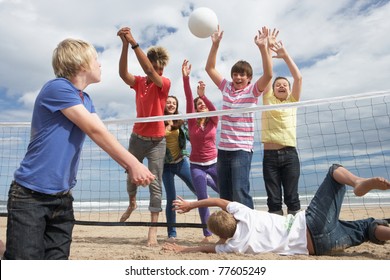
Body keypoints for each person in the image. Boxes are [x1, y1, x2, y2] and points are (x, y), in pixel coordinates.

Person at [4, 38, 155, 260]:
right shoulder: (57, 87)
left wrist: (129, 165)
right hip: (30, 196)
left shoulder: (86, 99)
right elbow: (95, 131)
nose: (100, 64)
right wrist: (133, 163)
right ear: (81, 63)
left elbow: (103, 136)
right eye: (96, 59)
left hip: (63, 199)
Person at [163, 164, 390, 255]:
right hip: (310, 224)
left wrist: (182, 249)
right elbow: (218, 201)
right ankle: (357, 182)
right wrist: (192, 204)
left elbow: (206, 248)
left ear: (222, 236)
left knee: (366, 228)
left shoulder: (233, 246)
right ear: (232, 215)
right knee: (334, 172)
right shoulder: (245, 214)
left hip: (319, 248)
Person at [205, 26, 273, 208]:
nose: (238, 77)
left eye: (242, 74)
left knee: (240, 191)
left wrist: (262, 48)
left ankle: (249, 231)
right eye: (235, 74)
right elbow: (209, 68)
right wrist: (215, 44)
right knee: (225, 194)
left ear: (249, 78)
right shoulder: (226, 87)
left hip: (242, 150)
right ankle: (229, 233)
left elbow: (268, 74)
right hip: (224, 150)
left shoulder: (252, 91)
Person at [117, 27, 170, 246]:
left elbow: (149, 72)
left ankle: (153, 232)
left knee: (155, 184)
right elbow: (123, 74)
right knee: (131, 174)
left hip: (157, 141)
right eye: (155, 67)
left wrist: (134, 42)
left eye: (160, 69)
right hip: (138, 138)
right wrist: (124, 46)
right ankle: (132, 203)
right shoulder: (139, 82)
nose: (157, 71)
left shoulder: (163, 83)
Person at [261, 32, 303, 216]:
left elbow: (299, 77)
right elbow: (268, 73)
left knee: (292, 197)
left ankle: (296, 234)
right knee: (274, 200)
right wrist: (268, 49)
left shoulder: (293, 100)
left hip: (289, 155)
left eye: (285, 84)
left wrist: (285, 55)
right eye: (278, 84)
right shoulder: (268, 98)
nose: (281, 86)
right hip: (269, 156)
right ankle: (277, 234)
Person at [182, 59, 220, 242]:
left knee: (225, 193)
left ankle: (231, 225)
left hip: (214, 162)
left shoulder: (213, 120)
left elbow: (213, 109)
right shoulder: (191, 122)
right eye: (199, 104)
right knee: (202, 198)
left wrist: (203, 96)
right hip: (196, 164)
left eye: (203, 104)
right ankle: (207, 234)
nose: (201, 105)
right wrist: (185, 78)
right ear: (196, 109)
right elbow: (189, 98)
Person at [163, 95, 196, 241]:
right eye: (168, 102)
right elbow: (156, 138)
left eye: (174, 103)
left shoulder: (181, 121)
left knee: (197, 189)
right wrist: (168, 126)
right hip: (165, 165)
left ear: (176, 106)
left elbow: (191, 136)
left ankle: (208, 226)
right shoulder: (158, 120)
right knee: (171, 198)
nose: (171, 105)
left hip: (181, 162)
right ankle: (172, 234)